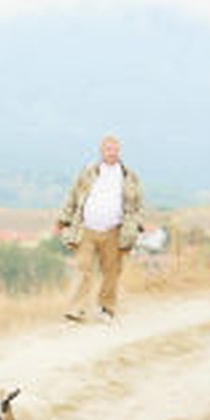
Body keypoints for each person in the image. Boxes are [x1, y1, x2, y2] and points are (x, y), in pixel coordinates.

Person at [56, 134, 144, 322]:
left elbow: (137, 204)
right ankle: (76, 309)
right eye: (107, 150)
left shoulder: (128, 176)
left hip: (114, 230)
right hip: (87, 228)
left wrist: (136, 227)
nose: (111, 153)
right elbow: (73, 196)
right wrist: (63, 219)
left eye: (114, 150)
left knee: (111, 271)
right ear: (101, 151)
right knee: (83, 269)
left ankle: (106, 309)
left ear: (119, 152)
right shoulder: (89, 173)